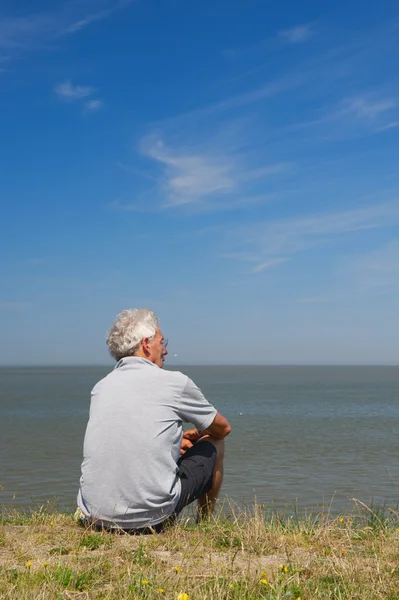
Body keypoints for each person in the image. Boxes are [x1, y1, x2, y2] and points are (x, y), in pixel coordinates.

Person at [77, 308, 231, 532]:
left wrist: (175, 441)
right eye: (162, 341)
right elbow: (223, 429)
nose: (166, 349)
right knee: (216, 443)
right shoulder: (175, 382)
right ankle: (204, 525)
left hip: (95, 518)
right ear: (147, 344)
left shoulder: (101, 387)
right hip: (151, 521)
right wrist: (200, 436)